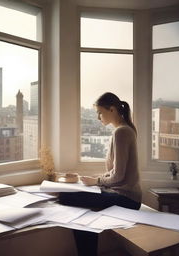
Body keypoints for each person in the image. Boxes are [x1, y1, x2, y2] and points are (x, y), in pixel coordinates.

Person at [58, 92, 142, 256]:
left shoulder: (121, 132)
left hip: (127, 199)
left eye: (99, 112)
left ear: (111, 109)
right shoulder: (124, 130)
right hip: (123, 194)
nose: (98, 117)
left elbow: (119, 176)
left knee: (66, 196)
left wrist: (96, 181)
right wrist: (93, 181)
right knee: (82, 219)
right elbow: (115, 173)